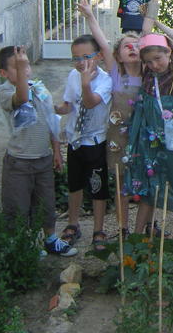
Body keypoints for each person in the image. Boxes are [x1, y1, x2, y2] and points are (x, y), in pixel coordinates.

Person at [76, 0, 161, 237]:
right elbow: (101, 41)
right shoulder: (115, 72)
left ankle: (149, 223)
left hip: (145, 133)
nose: (133, 48)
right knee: (121, 182)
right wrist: (90, 16)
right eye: (127, 46)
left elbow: (146, 29)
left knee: (148, 177)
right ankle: (123, 228)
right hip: (118, 137)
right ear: (118, 55)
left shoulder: (148, 72)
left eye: (137, 46)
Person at [0, 46, 77, 256]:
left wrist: (57, 150)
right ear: (4, 73)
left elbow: (51, 120)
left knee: (46, 202)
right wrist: (22, 72)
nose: (25, 70)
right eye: (18, 67)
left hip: (43, 159)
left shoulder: (38, 87)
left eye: (27, 65)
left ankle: (49, 239)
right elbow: (21, 99)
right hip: (19, 162)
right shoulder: (5, 91)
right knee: (18, 206)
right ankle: (24, 245)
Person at [125, 33, 173, 241]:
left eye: (158, 58)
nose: (154, 65)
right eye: (149, 61)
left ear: (169, 52)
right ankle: (138, 236)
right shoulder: (148, 76)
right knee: (150, 188)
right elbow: (146, 27)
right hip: (150, 141)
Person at [54, 35, 113, 251]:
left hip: (95, 140)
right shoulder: (73, 75)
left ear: (98, 56)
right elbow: (69, 105)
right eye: (75, 58)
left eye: (86, 57)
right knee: (74, 183)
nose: (80, 63)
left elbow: (89, 103)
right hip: (75, 139)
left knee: (98, 186)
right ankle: (73, 223)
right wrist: (55, 109)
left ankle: (99, 229)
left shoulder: (106, 80)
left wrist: (86, 83)